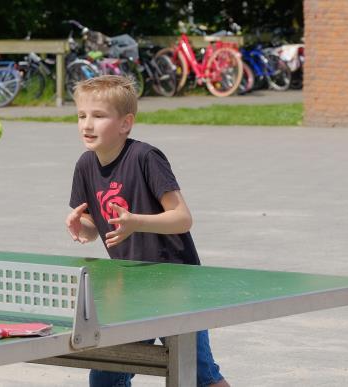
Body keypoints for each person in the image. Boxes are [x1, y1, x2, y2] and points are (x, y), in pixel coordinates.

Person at [66, 75, 230, 387]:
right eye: (81, 115)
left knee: (199, 375)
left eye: (99, 116)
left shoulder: (145, 157)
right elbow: (95, 228)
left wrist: (137, 221)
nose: (87, 124)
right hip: (130, 286)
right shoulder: (85, 166)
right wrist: (82, 227)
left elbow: (182, 218)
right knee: (106, 374)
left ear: (126, 123)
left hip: (177, 283)